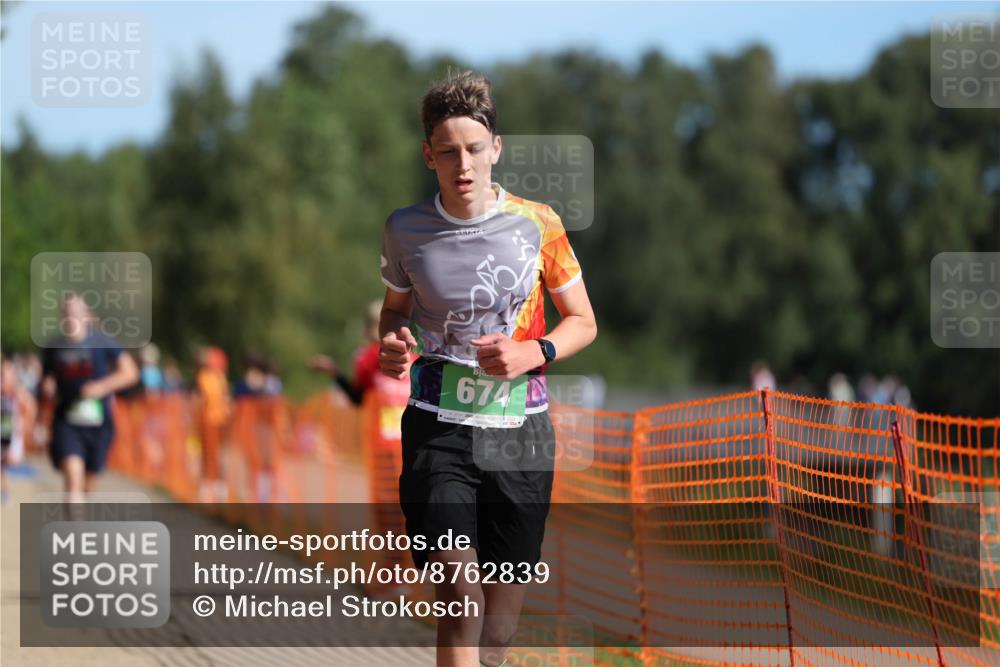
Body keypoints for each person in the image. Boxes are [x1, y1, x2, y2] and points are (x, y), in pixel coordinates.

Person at [378, 71, 597, 667]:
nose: (463, 164)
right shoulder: (405, 229)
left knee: (498, 633)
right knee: (459, 601)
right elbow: (395, 313)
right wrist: (395, 343)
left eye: (474, 149)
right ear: (429, 156)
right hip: (438, 430)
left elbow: (582, 320)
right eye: (447, 151)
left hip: (520, 438)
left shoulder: (539, 224)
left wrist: (536, 352)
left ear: (495, 149)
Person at [39, 294, 139, 503]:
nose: (70, 317)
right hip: (66, 420)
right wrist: (47, 387)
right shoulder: (53, 347)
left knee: (88, 485)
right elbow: (45, 380)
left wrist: (101, 387)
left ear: (85, 316)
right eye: (66, 312)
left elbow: (130, 373)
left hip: (98, 422)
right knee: (73, 480)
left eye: (75, 312)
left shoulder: (102, 341)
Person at [195, 346, 230, 503]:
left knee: (215, 454)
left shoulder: (214, 377)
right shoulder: (208, 377)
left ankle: (216, 486)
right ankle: (211, 486)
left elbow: (221, 398)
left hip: (216, 420)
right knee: (210, 453)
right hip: (212, 420)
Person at [2, 354, 37, 503]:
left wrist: (27, 424)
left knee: (8, 460)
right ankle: (4, 491)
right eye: (2, 375)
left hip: (11, 432)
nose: (4, 379)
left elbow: (31, 408)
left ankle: (4, 490)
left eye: (7, 376)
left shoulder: (19, 394)